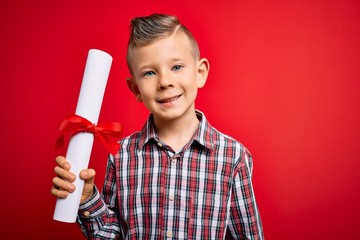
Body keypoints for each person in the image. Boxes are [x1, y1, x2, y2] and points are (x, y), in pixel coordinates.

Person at [51, 13, 264, 239]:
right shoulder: (121, 154)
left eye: (177, 67)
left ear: (199, 73)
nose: (164, 82)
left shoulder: (233, 157)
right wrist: (86, 198)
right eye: (150, 73)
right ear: (136, 89)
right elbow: (111, 235)